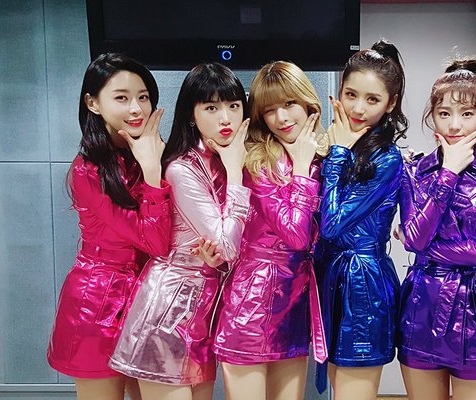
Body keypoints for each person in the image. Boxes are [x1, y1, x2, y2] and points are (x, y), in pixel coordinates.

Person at [109, 62, 251, 400]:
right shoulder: (182, 169)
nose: (226, 118)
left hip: (202, 313)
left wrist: (221, 261)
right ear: (191, 115)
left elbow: (234, 251)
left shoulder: (228, 159)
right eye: (211, 108)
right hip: (168, 309)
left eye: (233, 105)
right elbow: (226, 246)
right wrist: (235, 174)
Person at [47, 53, 170, 400]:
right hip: (97, 302)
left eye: (143, 97)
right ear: (93, 103)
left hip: (147, 298)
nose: (136, 108)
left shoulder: (150, 154)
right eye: (121, 97)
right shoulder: (88, 170)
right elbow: (154, 242)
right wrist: (152, 173)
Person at [396, 59, 476, 400]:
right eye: (444, 113)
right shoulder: (414, 170)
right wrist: (447, 174)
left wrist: (418, 246)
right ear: (432, 116)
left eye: (467, 113)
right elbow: (415, 238)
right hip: (421, 308)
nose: (455, 125)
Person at [212, 61, 327, 400]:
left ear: (308, 104)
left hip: (294, 300)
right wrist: (302, 169)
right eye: (269, 110)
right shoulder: (258, 162)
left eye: (289, 104)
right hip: (253, 299)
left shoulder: (323, 158)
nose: (281, 118)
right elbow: (296, 236)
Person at [315, 39, 408, 400]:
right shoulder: (337, 143)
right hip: (331, 277)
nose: (357, 108)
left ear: (390, 104)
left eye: (372, 99)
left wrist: (336, 153)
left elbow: (332, 224)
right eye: (351, 94)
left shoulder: (386, 158)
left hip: (363, 286)